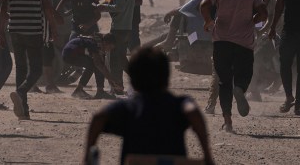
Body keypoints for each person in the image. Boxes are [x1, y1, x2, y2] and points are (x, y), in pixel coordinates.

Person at [83, 48, 215, 165]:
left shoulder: (130, 108)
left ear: (133, 81)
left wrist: (87, 159)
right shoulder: (178, 104)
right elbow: (192, 112)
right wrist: (207, 156)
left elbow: (98, 118)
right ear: (166, 77)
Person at [200, 0, 268, 133]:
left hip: (221, 41)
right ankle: (240, 88)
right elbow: (263, 12)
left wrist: (208, 21)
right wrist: (254, 21)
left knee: (223, 81)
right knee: (244, 73)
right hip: (244, 42)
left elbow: (204, 4)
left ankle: (228, 122)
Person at [0, 0, 57, 120]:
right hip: (33, 30)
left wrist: (0, 32)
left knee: (21, 68)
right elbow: (47, 6)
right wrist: (53, 28)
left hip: (14, 30)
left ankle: (23, 110)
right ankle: (21, 91)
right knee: (36, 70)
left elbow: (2, 8)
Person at [96, 0, 135, 95]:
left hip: (119, 28)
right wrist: (103, 2)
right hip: (127, 27)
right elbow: (114, 1)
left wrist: (102, 8)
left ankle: (117, 87)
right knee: (121, 58)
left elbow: (119, 7)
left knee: (114, 58)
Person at [63, 33, 120, 100]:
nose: (109, 50)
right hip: (70, 54)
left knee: (95, 65)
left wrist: (111, 79)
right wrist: (111, 79)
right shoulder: (95, 43)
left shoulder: (98, 44)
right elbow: (98, 64)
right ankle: (82, 90)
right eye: (109, 47)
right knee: (94, 64)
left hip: (70, 54)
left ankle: (98, 91)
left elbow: (102, 65)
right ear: (105, 43)